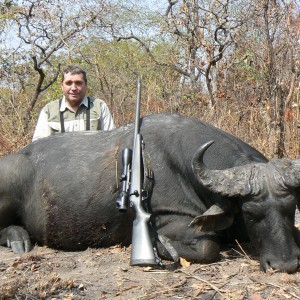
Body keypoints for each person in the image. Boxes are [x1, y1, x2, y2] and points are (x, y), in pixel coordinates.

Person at [32, 65, 115, 141]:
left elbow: (112, 140)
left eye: (78, 83)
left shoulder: (99, 106)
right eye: (69, 83)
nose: (74, 88)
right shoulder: (49, 110)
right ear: (62, 86)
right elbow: (38, 146)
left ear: (86, 85)